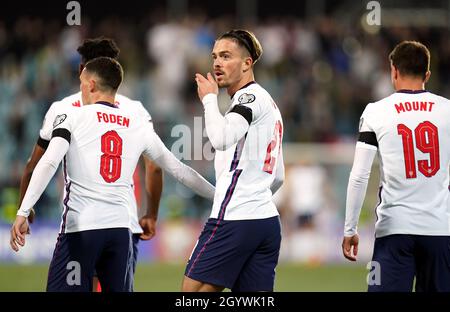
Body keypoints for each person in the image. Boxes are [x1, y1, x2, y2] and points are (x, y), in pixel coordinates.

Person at [10, 57, 215, 292]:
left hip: (81, 230)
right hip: (120, 232)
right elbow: (180, 171)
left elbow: (49, 161)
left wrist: (23, 211)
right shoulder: (137, 123)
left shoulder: (71, 117)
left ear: (92, 85)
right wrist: (219, 196)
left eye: (82, 83)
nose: (81, 89)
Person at [17, 38, 163, 291]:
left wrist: (25, 206)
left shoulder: (62, 109)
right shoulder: (135, 110)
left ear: (82, 71)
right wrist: (151, 213)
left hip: (81, 223)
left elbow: (35, 164)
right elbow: (154, 166)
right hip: (123, 222)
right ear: (115, 71)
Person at [342, 41, 450, 292]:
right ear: (427, 74)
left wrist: (350, 228)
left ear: (393, 71)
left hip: (395, 230)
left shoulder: (376, 112)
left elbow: (359, 175)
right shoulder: (447, 110)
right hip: (440, 230)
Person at [182, 29, 285, 292]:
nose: (217, 63)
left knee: (190, 294)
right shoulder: (270, 104)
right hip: (266, 222)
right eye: (214, 56)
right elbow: (279, 176)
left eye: (226, 56)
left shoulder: (247, 98)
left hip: (235, 218)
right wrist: (255, 197)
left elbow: (220, 138)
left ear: (247, 63)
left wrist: (208, 99)